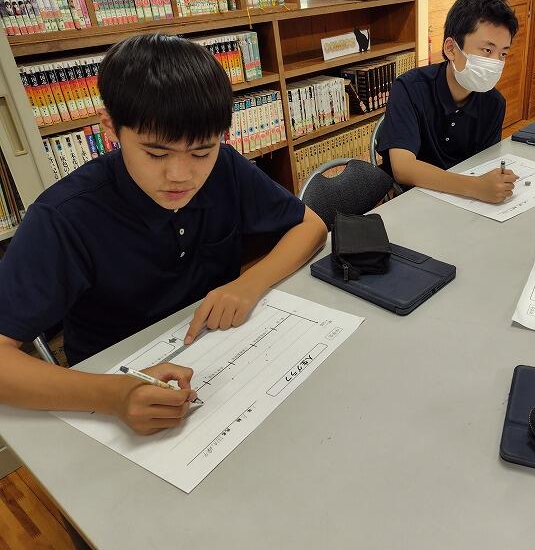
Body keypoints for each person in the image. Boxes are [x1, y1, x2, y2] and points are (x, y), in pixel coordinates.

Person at [0, 33, 327, 435]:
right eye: (156, 154)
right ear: (110, 128)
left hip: (221, 353)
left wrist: (249, 284)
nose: (180, 175)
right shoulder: (63, 217)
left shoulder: (225, 167)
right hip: (112, 381)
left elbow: (311, 225)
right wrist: (112, 395)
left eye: (201, 152)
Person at [378, 0, 520, 204]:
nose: (495, 62)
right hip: (410, 201)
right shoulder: (409, 89)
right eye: (487, 50)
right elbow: (403, 168)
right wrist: (476, 187)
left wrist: (491, 185)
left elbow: (484, 163)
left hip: (463, 202)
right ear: (451, 48)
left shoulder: (494, 102)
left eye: (503, 54)